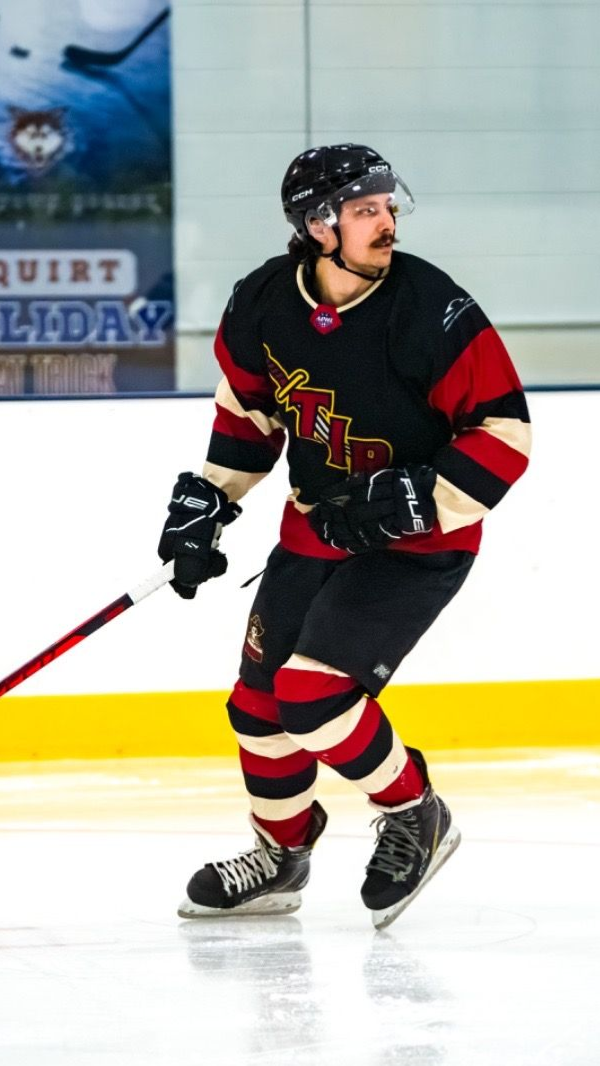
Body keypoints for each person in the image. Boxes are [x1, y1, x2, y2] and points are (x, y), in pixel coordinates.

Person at [158, 144, 531, 930]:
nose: (386, 222)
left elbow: (505, 434)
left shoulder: (430, 308)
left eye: (388, 206)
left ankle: (416, 813)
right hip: (316, 528)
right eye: (366, 209)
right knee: (259, 709)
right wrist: (209, 502)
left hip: (418, 546)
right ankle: (281, 856)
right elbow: (250, 416)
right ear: (318, 225)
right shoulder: (263, 302)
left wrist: (413, 500)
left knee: (313, 695)